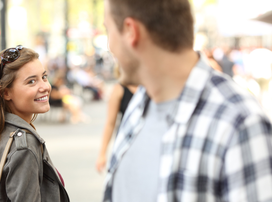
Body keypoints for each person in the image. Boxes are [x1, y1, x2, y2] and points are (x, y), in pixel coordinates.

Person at [103, 0, 272, 202]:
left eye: (108, 30)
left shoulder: (239, 122)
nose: (109, 46)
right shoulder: (139, 105)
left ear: (131, 31)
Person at [0, 46, 69, 202]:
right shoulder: (24, 146)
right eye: (31, 81)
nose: (45, 87)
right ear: (5, 93)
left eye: (44, 77)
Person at [96, 66, 137, 173]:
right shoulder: (119, 89)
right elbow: (110, 123)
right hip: (126, 142)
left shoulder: (149, 86)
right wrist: (102, 154)